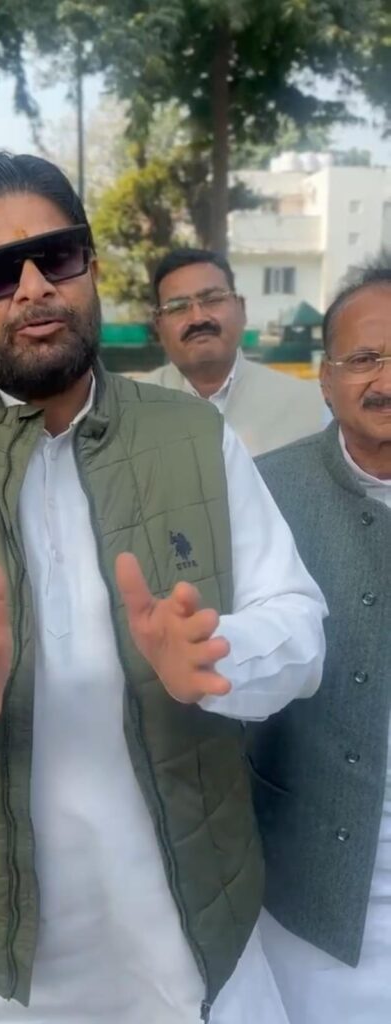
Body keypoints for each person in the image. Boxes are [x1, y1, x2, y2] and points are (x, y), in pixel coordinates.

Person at [0, 152, 327, 1024]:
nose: (34, 287)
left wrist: (219, 657)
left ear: (91, 268)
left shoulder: (193, 437)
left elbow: (298, 623)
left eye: (58, 256)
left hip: (191, 923)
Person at [248, 258, 391, 1023]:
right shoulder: (263, 492)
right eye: (363, 358)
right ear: (325, 379)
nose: (384, 380)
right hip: (308, 885)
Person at [145, 248, 328, 455]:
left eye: (212, 300)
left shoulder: (307, 405)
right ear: (158, 325)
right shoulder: (128, 409)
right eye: (178, 307)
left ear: (241, 309)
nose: (198, 318)